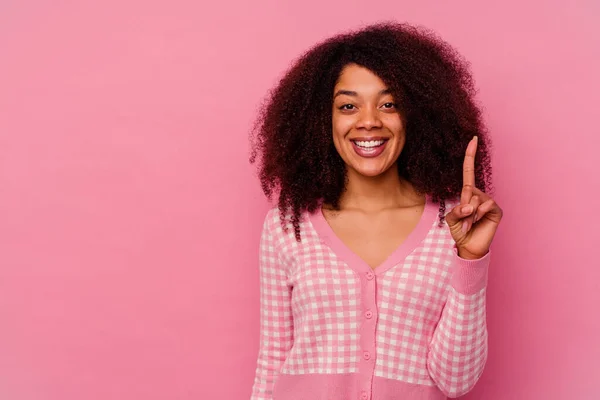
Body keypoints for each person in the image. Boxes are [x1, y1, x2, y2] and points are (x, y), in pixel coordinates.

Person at [248, 22, 503, 400]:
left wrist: (470, 257)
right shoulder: (287, 226)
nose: (368, 120)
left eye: (389, 104)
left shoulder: (451, 226)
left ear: (416, 114)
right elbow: (272, 361)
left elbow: (456, 381)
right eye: (348, 106)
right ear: (323, 120)